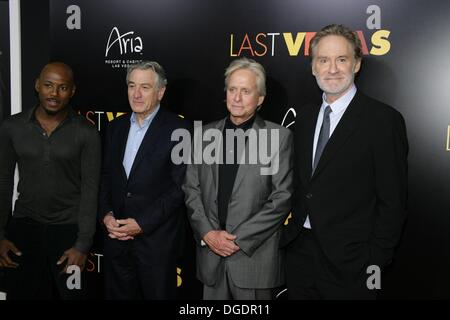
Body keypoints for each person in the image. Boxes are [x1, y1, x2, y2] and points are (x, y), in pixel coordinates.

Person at [282, 24, 408, 299]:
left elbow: (393, 200)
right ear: (314, 67)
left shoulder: (383, 121)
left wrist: (374, 259)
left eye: (342, 59)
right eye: (323, 60)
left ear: (357, 64)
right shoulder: (303, 119)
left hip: (352, 263)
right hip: (299, 255)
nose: (332, 69)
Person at [183, 57, 293, 300]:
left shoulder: (278, 137)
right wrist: (208, 234)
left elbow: (281, 198)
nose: (237, 98)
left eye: (246, 91)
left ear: (260, 99)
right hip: (211, 257)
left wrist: (237, 240)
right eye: (232, 89)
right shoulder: (203, 135)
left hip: (254, 260)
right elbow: (191, 189)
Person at [0, 62, 101, 299]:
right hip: (23, 229)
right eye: (48, 85)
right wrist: (0, 235)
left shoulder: (87, 133)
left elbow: (90, 190)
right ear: (37, 85)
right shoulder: (11, 127)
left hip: (68, 231)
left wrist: (82, 245)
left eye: (62, 87)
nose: (54, 94)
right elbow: (3, 182)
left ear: (72, 91)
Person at [99, 60, 188, 299]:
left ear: (160, 92)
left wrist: (142, 223)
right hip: (115, 240)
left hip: (155, 244)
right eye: (131, 86)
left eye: (145, 87)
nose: (136, 94)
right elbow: (106, 176)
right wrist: (106, 214)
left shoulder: (180, 130)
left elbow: (180, 188)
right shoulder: (114, 128)